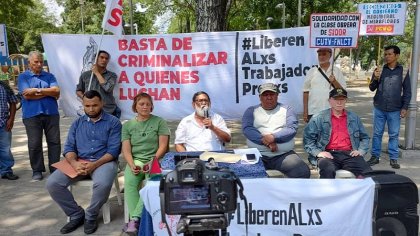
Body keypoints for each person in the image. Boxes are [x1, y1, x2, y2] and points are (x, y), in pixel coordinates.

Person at [46, 90, 121, 234]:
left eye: (95, 105)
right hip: (79, 162)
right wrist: (74, 163)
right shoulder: (77, 123)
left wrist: (94, 165)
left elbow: (113, 151)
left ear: (102, 103)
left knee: (103, 184)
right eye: (87, 106)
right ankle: (76, 214)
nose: (91, 109)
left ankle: (91, 215)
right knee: (53, 183)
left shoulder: (114, 123)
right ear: (83, 104)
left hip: (104, 162)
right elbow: (69, 148)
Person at [121, 92, 170, 233]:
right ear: (135, 106)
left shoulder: (159, 122)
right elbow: (126, 149)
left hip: (155, 159)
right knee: (130, 183)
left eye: (148, 104)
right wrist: (131, 164)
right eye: (141, 104)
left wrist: (152, 161)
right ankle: (138, 219)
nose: (145, 107)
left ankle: (135, 219)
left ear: (152, 107)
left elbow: (163, 146)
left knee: (151, 184)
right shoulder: (128, 125)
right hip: (135, 160)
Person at [242, 83, 310, 178]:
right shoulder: (251, 110)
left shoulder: (287, 109)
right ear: (260, 97)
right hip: (257, 154)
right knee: (243, 173)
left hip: (283, 155)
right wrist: (267, 142)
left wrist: (274, 137)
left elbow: (291, 129)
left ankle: (289, 193)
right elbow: (247, 129)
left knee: (302, 172)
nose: (269, 97)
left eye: (272, 94)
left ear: (277, 95)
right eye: (265, 95)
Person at [303, 88, 372, 178]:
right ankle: (328, 192)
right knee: (328, 170)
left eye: (342, 99)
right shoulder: (318, 117)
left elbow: (365, 138)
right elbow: (307, 140)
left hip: (350, 154)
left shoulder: (354, 118)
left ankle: (359, 191)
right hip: (328, 154)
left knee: (369, 175)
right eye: (336, 99)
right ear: (329, 101)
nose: (339, 102)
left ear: (346, 101)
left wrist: (360, 151)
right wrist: (318, 153)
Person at [18, 51, 61, 181]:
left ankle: (55, 168)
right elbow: (26, 95)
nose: (39, 64)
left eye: (41, 61)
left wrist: (36, 90)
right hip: (31, 115)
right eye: (36, 61)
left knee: (54, 142)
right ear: (29, 62)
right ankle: (37, 170)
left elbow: (57, 91)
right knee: (35, 143)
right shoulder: (23, 77)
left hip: (51, 113)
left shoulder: (49, 76)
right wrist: (49, 92)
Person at [367, 45, 411, 169]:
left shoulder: (403, 70)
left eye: (389, 54)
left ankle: (393, 158)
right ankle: (375, 156)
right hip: (379, 107)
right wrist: (375, 78)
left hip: (395, 109)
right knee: (377, 133)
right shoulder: (379, 69)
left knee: (394, 134)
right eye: (385, 54)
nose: (387, 56)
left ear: (397, 55)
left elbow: (407, 91)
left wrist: (405, 107)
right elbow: (371, 88)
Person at [303, 47, 346, 166]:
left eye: (324, 54)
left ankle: (325, 160)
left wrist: (335, 81)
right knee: (312, 136)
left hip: (330, 110)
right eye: (319, 54)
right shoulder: (312, 71)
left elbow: (342, 91)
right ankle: (313, 159)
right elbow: (305, 91)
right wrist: (305, 111)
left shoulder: (336, 71)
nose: (321, 56)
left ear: (330, 55)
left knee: (328, 136)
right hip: (314, 109)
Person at [76, 50, 120, 118]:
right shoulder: (85, 75)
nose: (104, 60)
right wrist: (85, 98)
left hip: (108, 110)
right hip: (91, 110)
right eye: (101, 57)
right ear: (95, 58)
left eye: (106, 58)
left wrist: (97, 73)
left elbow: (108, 88)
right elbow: (79, 90)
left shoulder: (112, 75)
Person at [0, 81, 19, 180]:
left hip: (3, 123)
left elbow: (12, 102)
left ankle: (6, 171)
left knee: (5, 150)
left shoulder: (4, 87)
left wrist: (11, 119)